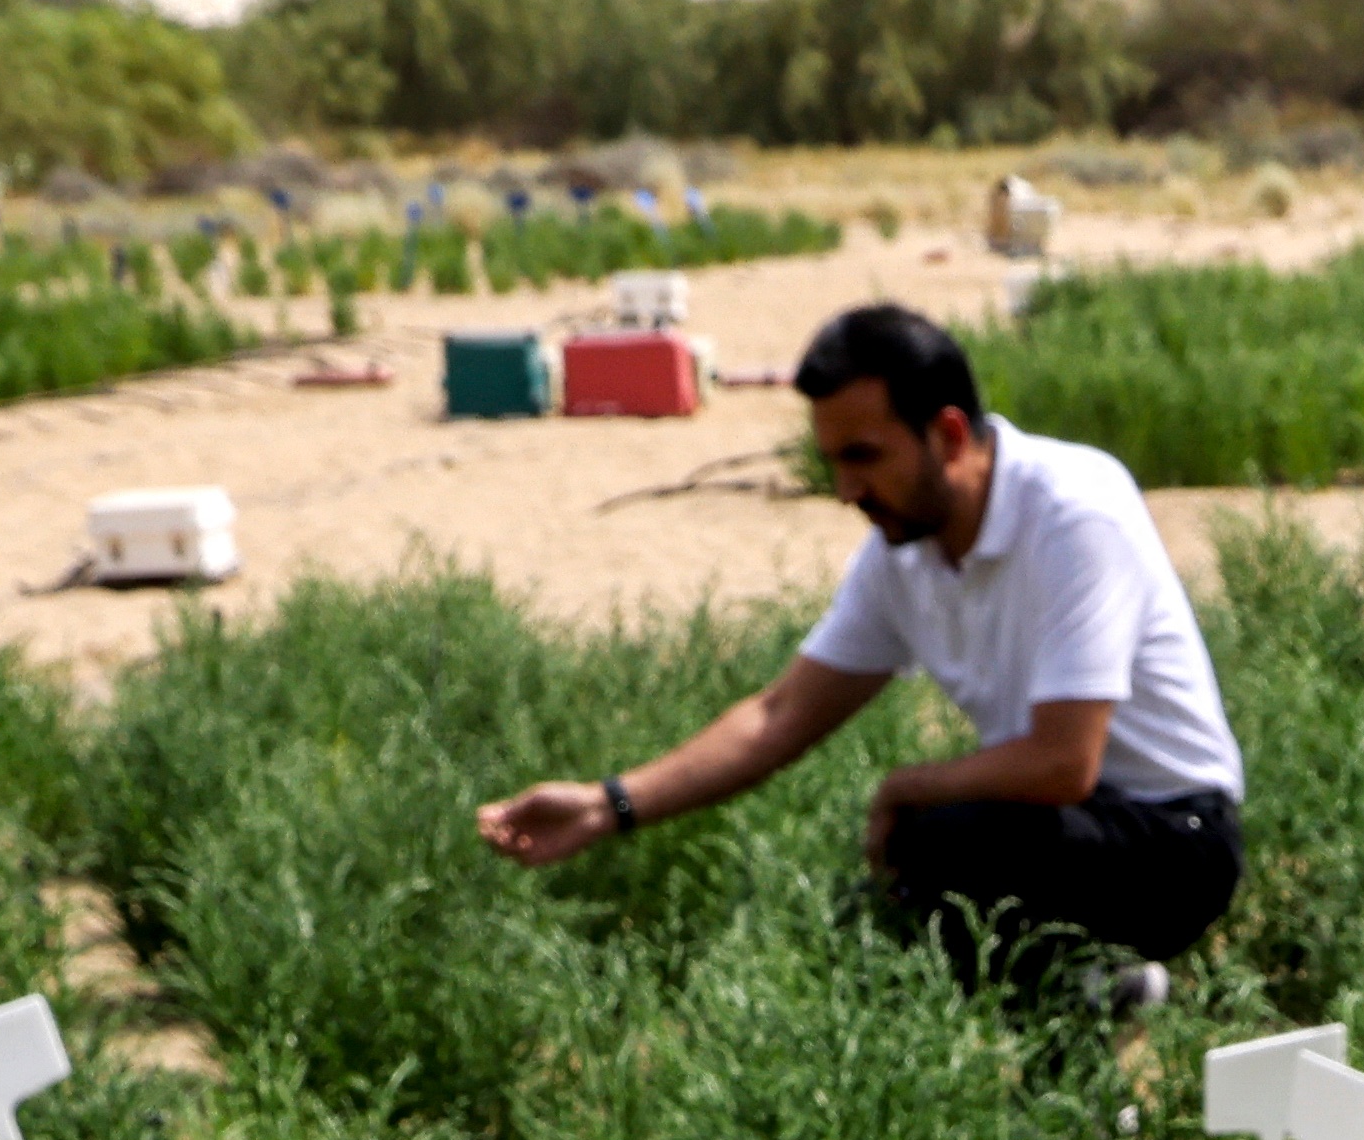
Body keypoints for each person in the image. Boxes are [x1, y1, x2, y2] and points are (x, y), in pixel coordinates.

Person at [474, 300, 1243, 1002]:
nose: (845, 489)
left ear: (945, 434)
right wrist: (609, 804)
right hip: (1065, 830)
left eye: (864, 457)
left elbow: (1061, 762)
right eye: (833, 462)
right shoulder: (902, 552)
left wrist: (905, 785)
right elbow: (778, 715)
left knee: (950, 844)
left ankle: (1077, 1036)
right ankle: (1086, 1006)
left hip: (1176, 842)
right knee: (918, 882)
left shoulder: (1075, 510)